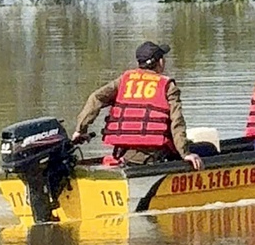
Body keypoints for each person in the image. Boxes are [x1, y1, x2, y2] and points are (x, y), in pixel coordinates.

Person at [72, 41, 210, 170]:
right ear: (160, 62)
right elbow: (177, 122)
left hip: (123, 152)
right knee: (209, 149)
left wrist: (80, 129)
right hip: (155, 154)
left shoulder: (124, 81)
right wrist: (185, 153)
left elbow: (96, 97)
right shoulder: (167, 86)